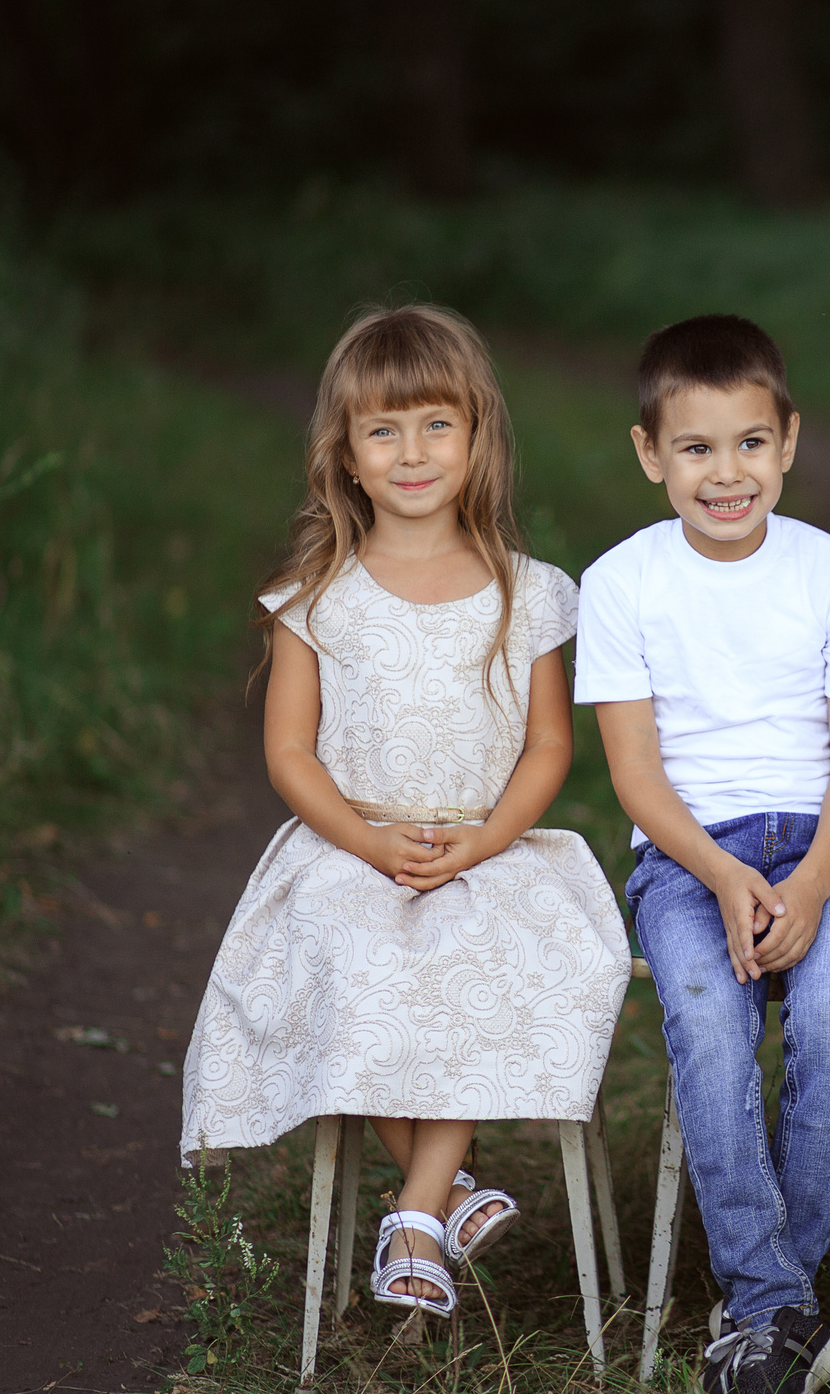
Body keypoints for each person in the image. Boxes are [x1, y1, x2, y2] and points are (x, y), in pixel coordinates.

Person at [179, 304, 631, 1323]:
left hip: (488, 842)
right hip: (352, 841)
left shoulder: (527, 592)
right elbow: (290, 753)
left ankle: (417, 1212)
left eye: (436, 425)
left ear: (477, 436)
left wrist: (483, 841)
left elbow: (548, 746)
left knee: (481, 950)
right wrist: (367, 841)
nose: (413, 452)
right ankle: (444, 1199)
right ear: (345, 454)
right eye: (383, 431)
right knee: (353, 961)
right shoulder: (316, 597)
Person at [578, 314, 830, 1394]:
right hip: (684, 857)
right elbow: (634, 774)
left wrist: (811, 884)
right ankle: (776, 1300)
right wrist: (717, 873)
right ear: (649, 453)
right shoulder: (621, 582)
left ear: (788, 440)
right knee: (709, 1025)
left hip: (824, 845)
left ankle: (768, 1303)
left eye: (751, 443)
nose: (726, 473)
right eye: (696, 448)